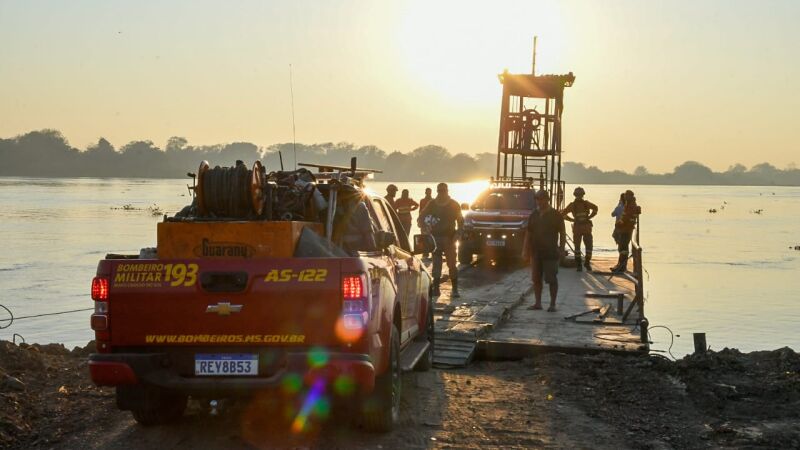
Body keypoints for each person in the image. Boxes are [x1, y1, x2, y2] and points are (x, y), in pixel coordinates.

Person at [418, 183, 463, 298]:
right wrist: (424, 228)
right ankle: (436, 289)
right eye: (439, 191)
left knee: (452, 264)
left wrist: (458, 234)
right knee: (436, 265)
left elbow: (460, 221)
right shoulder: (432, 204)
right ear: (437, 191)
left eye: (443, 191)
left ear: (447, 191)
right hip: (435, 239)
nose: (441, 193)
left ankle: (455, 289)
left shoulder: (454, 204)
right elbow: (421, 217)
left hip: (449, 239)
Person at [524, 190, 566, 312]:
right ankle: (538, 303)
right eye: (537, 199)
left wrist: (562, 249)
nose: (539, 201)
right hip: (536, 252)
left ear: (547, 199)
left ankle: (552, 304)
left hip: (551, 252)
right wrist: (525, 250)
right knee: (536, 279)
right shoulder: (534, 214)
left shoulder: (556, 215)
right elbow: (528, 233)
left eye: (542, 199)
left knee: (551, 279)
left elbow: (562, 233)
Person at [561, 187, 598, 272]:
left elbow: (596, 208)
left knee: (588, 246)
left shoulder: (585, 204)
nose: (579, 196)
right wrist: (572, 220)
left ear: (582, 195)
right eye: (578, 195)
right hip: (579, 228)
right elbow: (563, 214)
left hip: (585, 228)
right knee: (577, 247)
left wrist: (590, 216)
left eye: (580, 195)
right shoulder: (573, 205)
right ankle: (579, 265)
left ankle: (587, 263)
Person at [612, 190, 640, 273]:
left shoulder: (631, 206)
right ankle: (620, 265)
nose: (625, 197)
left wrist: (619, 223)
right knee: (622, 248)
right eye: (625, 196)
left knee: (623, 248)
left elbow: (627, 218)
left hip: (626, 230)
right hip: (625, 229)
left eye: (627, 196)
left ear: (630, 196)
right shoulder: (628, 204)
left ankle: (621, 266)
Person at [418, 188, 433, 258]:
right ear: (425, 193)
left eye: (429, 192)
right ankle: (425, 252)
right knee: (424, 237)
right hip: (424, 221)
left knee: (431, 237)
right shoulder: (422, 201)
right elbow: (420, 211)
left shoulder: (433, 201)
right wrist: (419, 220)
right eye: (427, 192)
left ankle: (432, 251)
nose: (428, 193)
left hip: (431, 221)